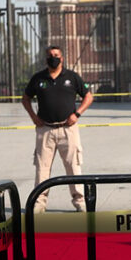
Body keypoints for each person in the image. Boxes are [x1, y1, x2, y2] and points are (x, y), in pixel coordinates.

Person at [21, 45, 94, 213]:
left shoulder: (72, 77)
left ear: (62, 58)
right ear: (46, 59)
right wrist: (33, 116)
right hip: (45, 129)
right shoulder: (38, 79)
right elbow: (25, 99)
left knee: (73, 167)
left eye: (56, 55)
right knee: (42, 168)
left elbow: (88, 96)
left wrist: (77, 113)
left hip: (68, 129)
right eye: (50, 55)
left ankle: (80, 201)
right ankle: (39, 203)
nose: (53, 58)